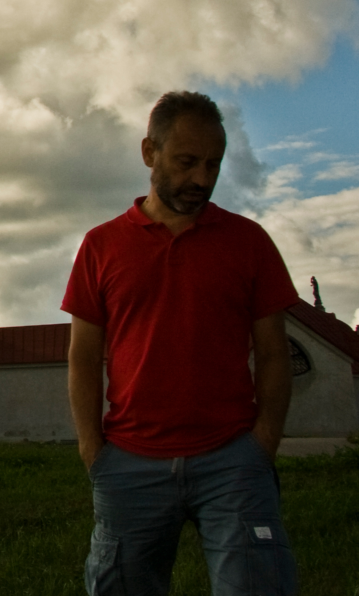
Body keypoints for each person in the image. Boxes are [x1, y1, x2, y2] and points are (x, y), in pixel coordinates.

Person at [63, 91, 298, 596]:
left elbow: (275, 353)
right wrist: (92, 450)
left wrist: (264, 443)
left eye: (213, 164)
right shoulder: (102, 246)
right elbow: (83, 357)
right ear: (149, 153)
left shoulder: (248, 242)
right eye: (187, 162)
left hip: (233, 461)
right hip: (129, 464)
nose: (203, 179)